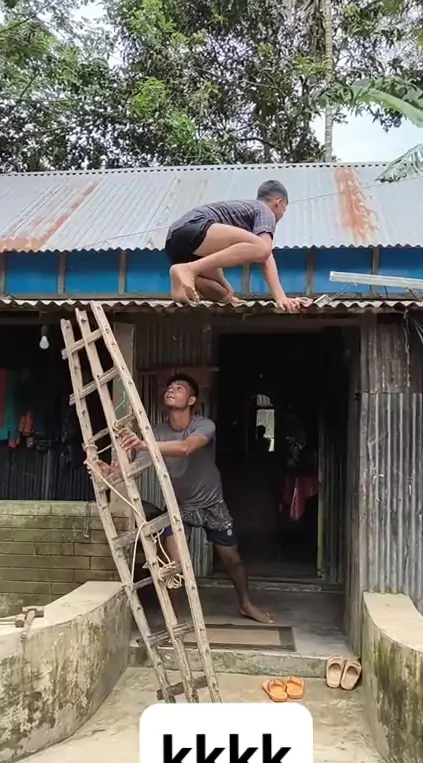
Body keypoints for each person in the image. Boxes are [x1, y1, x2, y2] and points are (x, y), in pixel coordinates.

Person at [96, 374, 273, 624]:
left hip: (211, 503)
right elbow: (138, 467)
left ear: (191, 400)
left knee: (232, 560)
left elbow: (186, 448)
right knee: (173, 566)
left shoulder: (204, 425)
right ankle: (176, 619)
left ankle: (246, 604)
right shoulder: (157, 432)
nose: (171, 390)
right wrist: (110, 473)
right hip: (179, 506)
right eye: (169, 388)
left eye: (178, 388)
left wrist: (145, 444)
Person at [165, 180, 312, 313]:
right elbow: (266, 254)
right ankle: (188, 269)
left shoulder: (247, 214)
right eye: (284, 209)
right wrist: (281, 297)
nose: (282, 215)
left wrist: (229, 298)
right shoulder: (265, 211)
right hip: (193, 227)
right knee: (262, 248)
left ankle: (181, 282)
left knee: (225, 293)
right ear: (278, 203)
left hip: (176, 241)